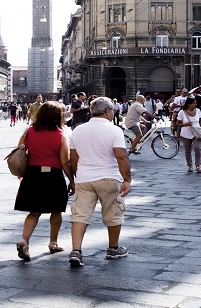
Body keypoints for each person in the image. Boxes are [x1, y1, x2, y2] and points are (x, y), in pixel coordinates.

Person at [68, 97, 131, 267]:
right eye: (113, 111)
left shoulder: (78, 130)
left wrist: (75, 177)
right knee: (113, 213)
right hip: (108, 178)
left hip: (84, 178)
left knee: (80, 215)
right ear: (108, 112)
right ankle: (113, 248)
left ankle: (76, 251)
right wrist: (126, 179)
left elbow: (73, 158)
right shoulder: (114, 130)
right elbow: (121, 156)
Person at [13, 101, 75, 261]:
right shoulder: (61, 136)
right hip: (53, 175)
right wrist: (72, 180)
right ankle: (53, 243)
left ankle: (24, 240)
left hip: (33, 175)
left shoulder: (29, 131)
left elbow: (20, 149)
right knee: (56, 210)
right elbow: (64, 161)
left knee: (34, 212)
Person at [177, 98, 201, 173]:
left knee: (197, 148)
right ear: (188, 104)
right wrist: (185, 124)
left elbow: (200, 120)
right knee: (187, 150)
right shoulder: (182, 112)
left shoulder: (198, 110)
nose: (195, 104)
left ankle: (198, 165)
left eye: (196, 103)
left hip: (196, 133)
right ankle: (190, 166)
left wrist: (200, 128)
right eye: (194, 103)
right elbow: (178, 123)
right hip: (186, 133)